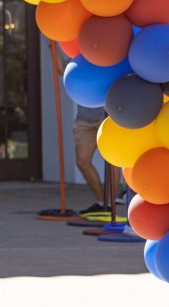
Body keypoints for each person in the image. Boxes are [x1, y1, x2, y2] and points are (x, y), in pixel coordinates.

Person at [52, 42, 112, 214]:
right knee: (82, 161)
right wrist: (53, 46)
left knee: (112, 161)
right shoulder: (76, 55)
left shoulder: (104, 54)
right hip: (85, 119)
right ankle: (102, 203)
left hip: (106, 115)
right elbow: (61, 71)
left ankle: (110, 203)